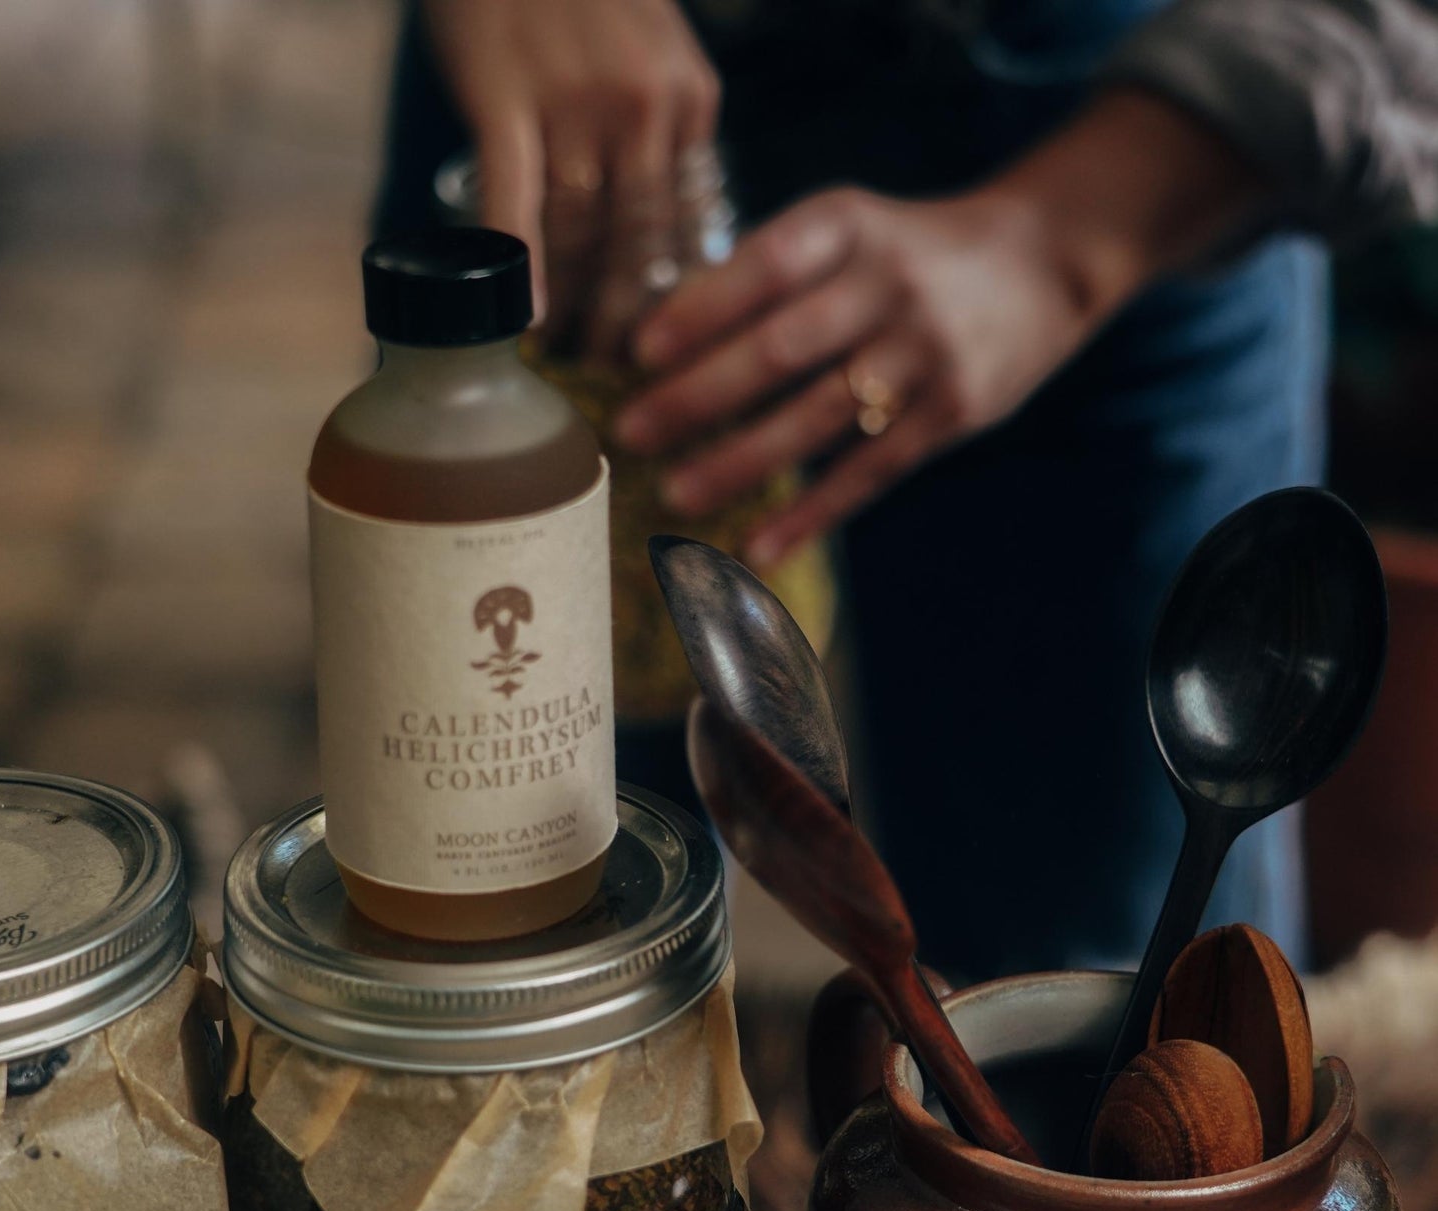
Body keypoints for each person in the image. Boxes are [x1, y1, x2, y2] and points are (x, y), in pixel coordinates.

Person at [375, 0, 1438, 982]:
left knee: (1116, 1045)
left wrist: (1063, 241)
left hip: (1152, 118)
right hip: (559, 108)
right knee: (503, 957)